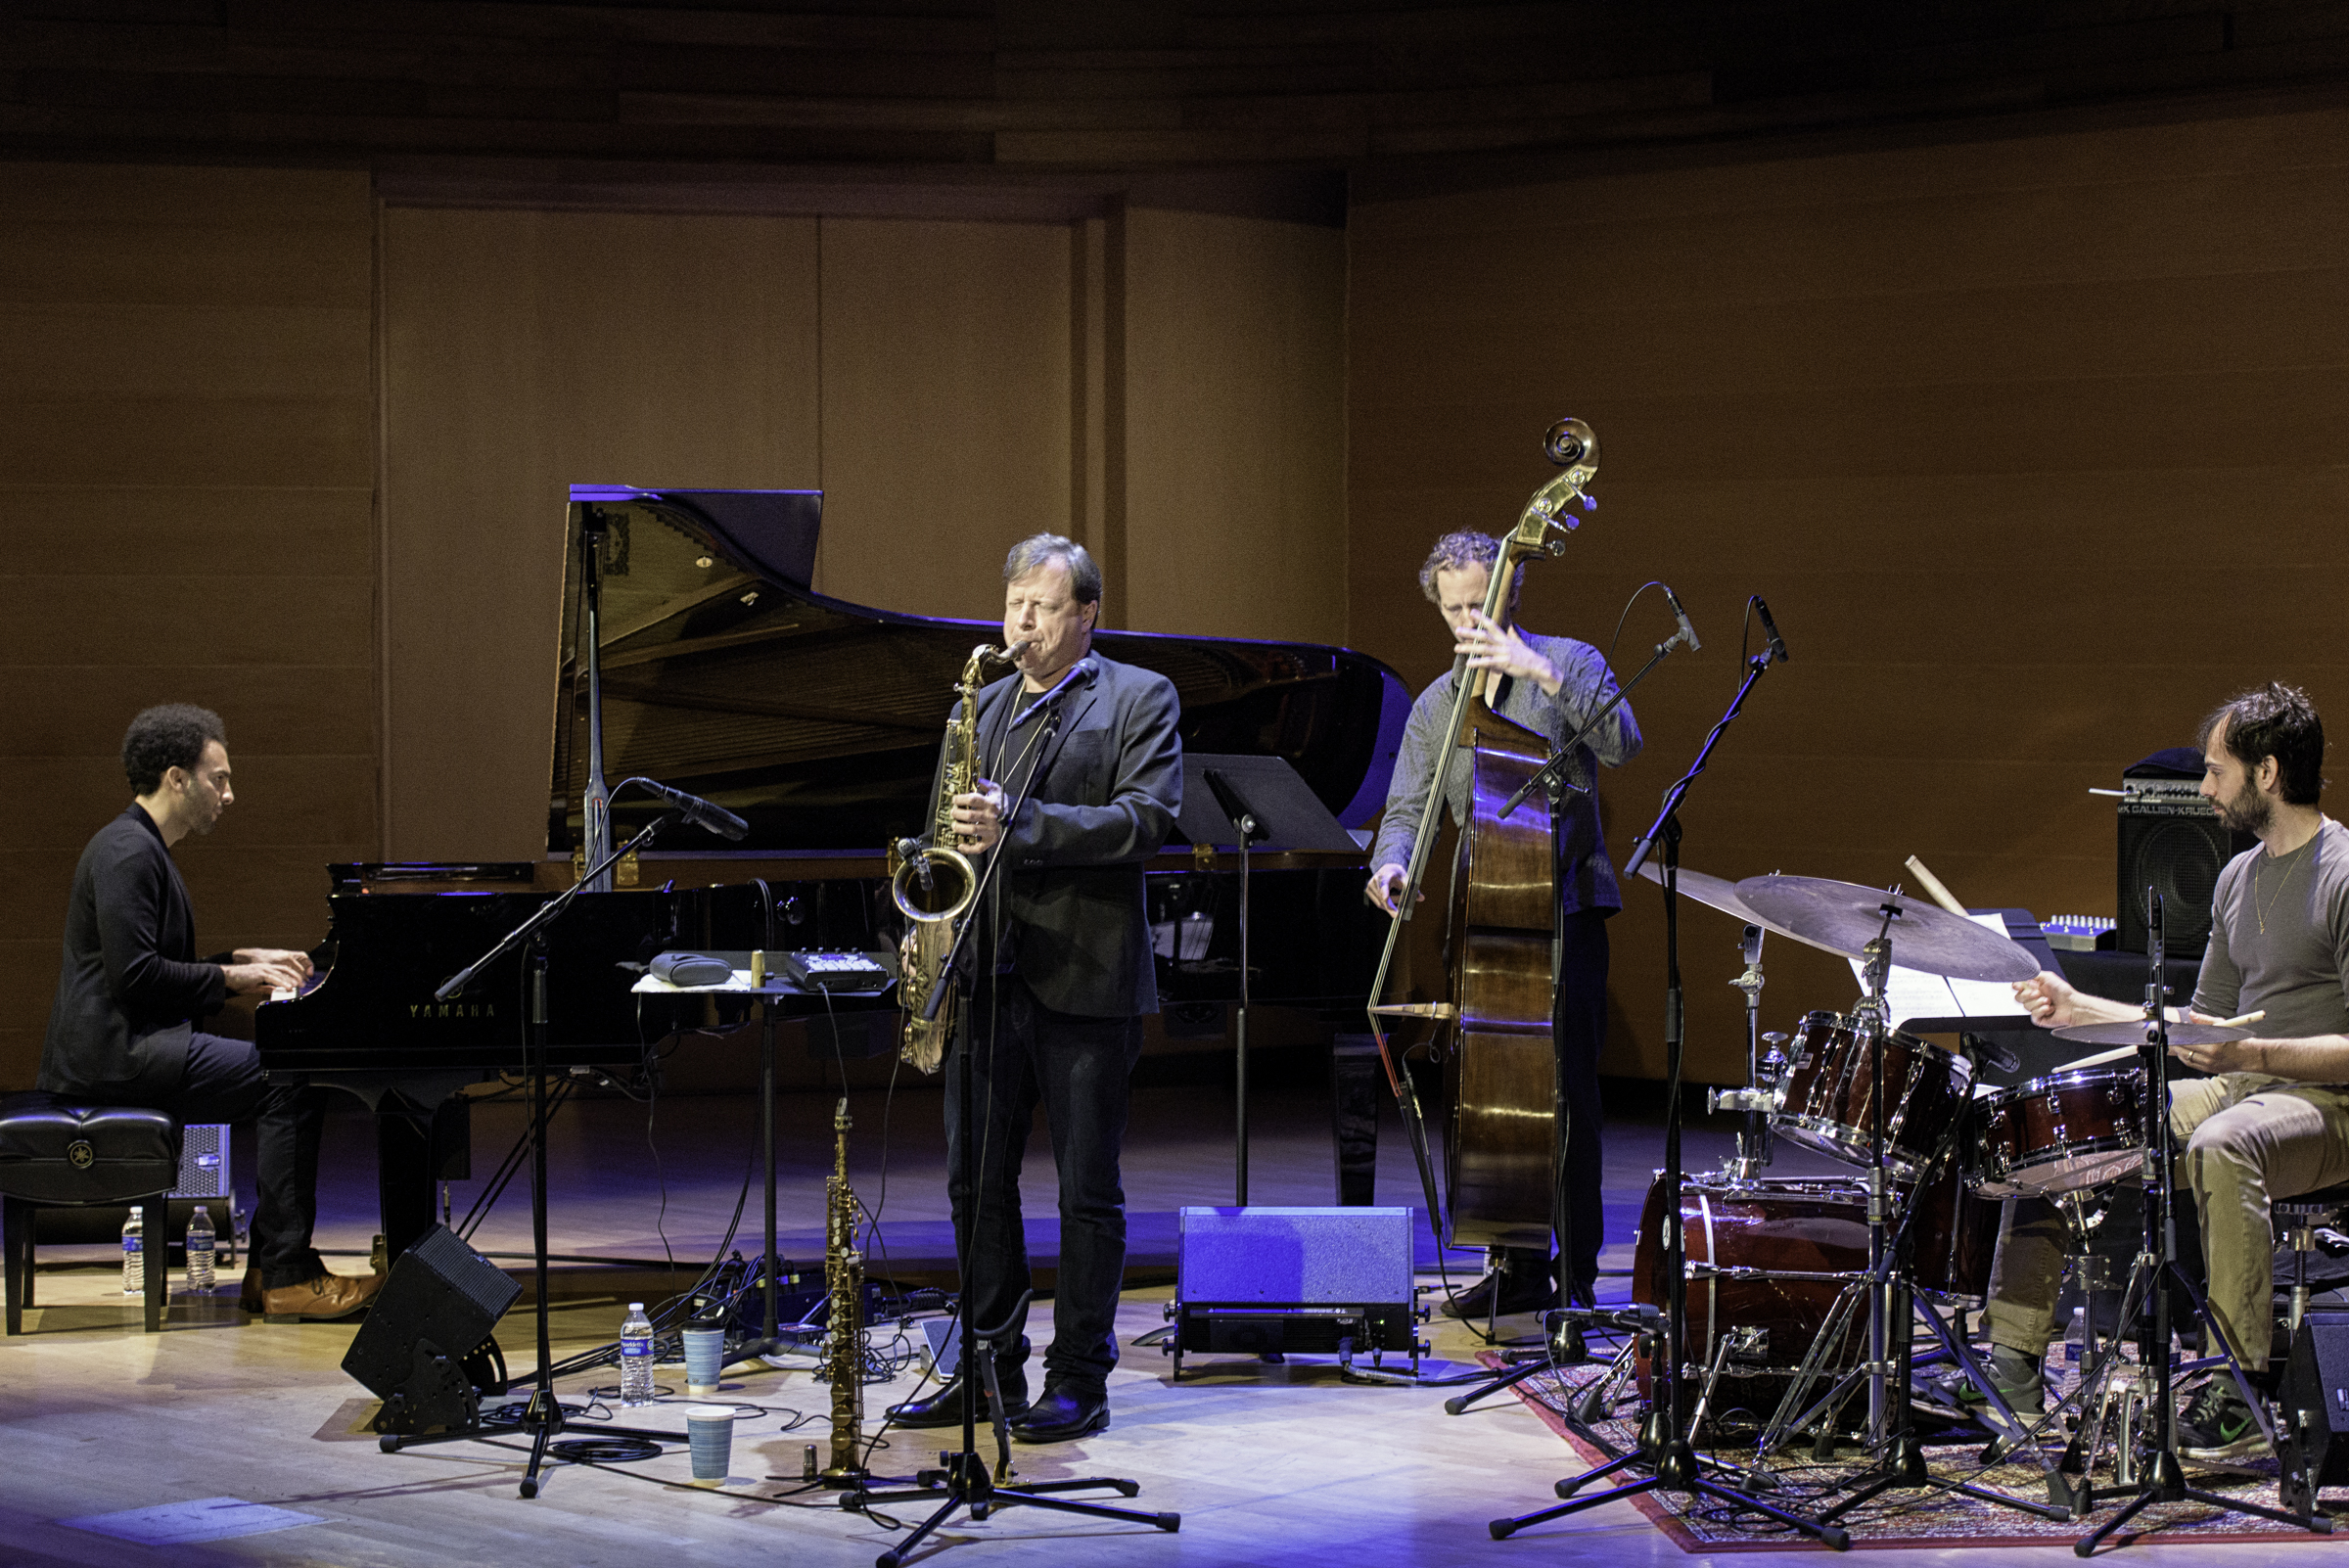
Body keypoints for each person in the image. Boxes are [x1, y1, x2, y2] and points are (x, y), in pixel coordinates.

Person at [1995, 682, 2349, 1460]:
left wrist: (2251, 1054)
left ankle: (2236, 1384)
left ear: (2266, 773)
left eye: (2217, 771)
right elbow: (2201, 1021)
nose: (2204, 788)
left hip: (2326, 1102)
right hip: (2240, 1087)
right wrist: (2077, 1006)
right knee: (2065, 1119)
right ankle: (2011, 1358)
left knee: (2225, 1142)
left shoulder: (2342, 873)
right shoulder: (2236, 877)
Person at [885, 534, 1181, 1444]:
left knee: (1087, 1192)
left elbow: (1149, 819)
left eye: (1043, 607)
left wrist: (1024, 819)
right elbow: (945, 841)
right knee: (978, 1188)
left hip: (1086, 977)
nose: (1021, 622)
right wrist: (927, 921)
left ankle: (1079, 1378)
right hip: (986, 973)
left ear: (1086, 613)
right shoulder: (981, 706)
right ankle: (985, 1366)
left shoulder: (1139, 696)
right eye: (1013, 603)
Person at [1365, 530, 1641, 1317]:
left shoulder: (1572, 662)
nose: (1465, 621)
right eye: (1451, 609)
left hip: (1568, 911)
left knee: (1567, 1098)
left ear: (1510, 593)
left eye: (1477, 604)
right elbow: (1409, 811)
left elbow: (1624, 744)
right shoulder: (1434, 708)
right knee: (1489, 1096)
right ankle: (1514, 1266)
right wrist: (1392, 866)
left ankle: (1578, 1277)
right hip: (1479, 920)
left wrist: (1541, 674)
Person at [39, 705, 385, 1320]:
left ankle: (270, 1270)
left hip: (134, 1040)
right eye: (217, 778)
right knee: (289, 1079)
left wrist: (239, 958)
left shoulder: (141, 847)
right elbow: (135, 977)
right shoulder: (127, 853)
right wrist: (233, 976)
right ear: (177, 778)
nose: (229, 793)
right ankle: (282, 1274)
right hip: (116, 1055)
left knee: (288, 1073)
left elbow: (150, 964)